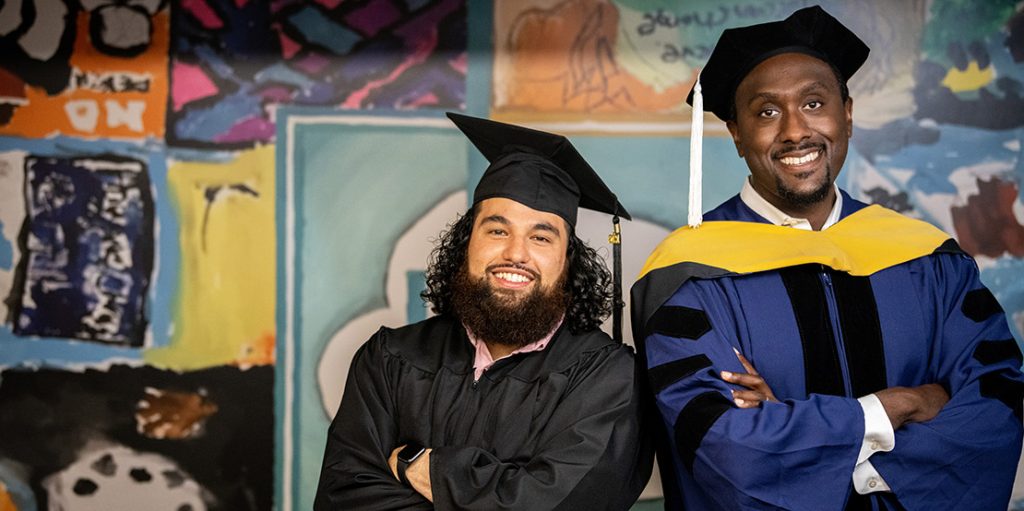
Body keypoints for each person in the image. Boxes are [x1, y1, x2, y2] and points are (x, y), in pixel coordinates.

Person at [631, 6, 1024, 510]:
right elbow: (722, 443)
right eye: (767, 112)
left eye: (815, 103)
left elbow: (995, 402)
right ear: (736, 134)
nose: (796, 131)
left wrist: (809, 440)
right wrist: (890, 409)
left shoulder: (929, 259)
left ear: (848, 115)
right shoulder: (689, 274)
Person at [314, 112, 652, 510]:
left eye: (541, 237)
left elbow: (569, 503)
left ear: (568, 261)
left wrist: (430, 469)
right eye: (497, 230)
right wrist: (512, 489)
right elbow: (345, 497)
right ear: (466, 243)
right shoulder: (390, 360)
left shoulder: (607, 378)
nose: (515, 253)